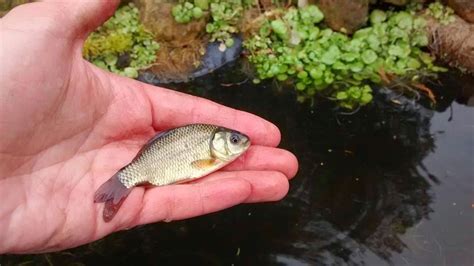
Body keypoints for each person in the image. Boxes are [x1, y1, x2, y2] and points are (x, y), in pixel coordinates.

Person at [0, 0, 298, 254]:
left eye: (235, 140)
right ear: (218, 143)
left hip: (152, 165)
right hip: (150, 166)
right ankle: (125, 181)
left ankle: (125, 182)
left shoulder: (207, 147)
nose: (238, 143)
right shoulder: (206, 151)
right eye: (233, 140)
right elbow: (194, 163)